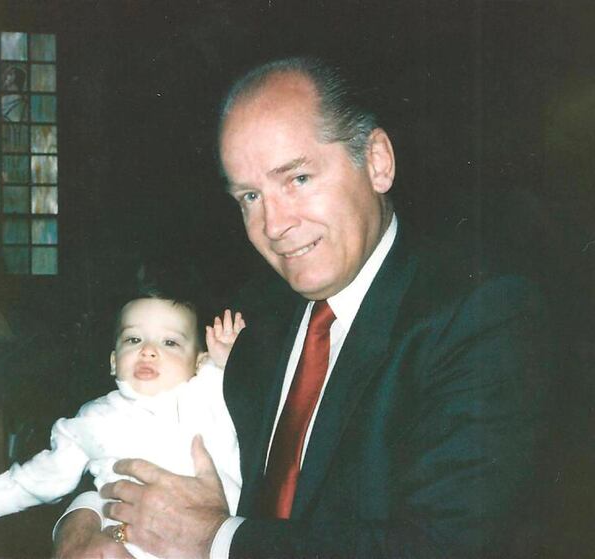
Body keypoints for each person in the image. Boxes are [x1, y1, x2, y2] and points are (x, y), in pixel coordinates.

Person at [54, 56, 554, 559]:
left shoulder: (480, 316)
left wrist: (217, 539)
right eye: (250, 195)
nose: (273, 225)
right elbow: (148, 433)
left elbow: (443, 546)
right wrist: (83, 521)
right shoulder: (256, 314)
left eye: (297, 179)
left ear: (377, 161)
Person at [0, 287, 246, 559]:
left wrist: (228, 360)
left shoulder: (208, 391)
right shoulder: (95, 417)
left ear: (197, 361)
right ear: (114, 361)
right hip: (132, 548)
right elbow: (50, 472)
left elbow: (237, 389)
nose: (149, 350)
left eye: (170, 342)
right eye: (133, 339)